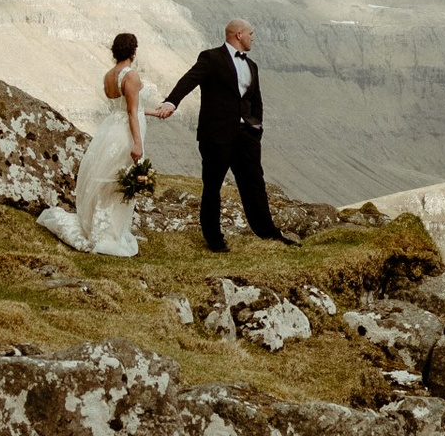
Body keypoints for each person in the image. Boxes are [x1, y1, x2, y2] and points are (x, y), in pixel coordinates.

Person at [158, 18, 285, 253]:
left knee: (255, 184)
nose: (253, 37)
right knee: (212, 186)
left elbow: (256, 100)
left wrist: (257, 128)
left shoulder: (252, 66)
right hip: (216, 135)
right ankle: (214, 239)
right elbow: (190, 80)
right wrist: (171, 102)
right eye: (251, 33)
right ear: (238, 34)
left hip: (246, 135)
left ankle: (268, 232)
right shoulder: (211, 57)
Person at [38, 30, 150, 259]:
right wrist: (138, 143)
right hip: (125, 133)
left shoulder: (110, 75)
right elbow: (130, 111)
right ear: (133, 51)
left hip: (111, 128)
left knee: (108, 177)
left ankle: (101, 224)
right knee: (118, 179)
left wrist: (152, 112)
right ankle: (109, 232)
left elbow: (125, 106)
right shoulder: (132, 75)